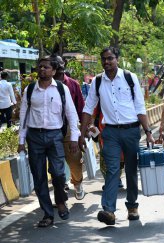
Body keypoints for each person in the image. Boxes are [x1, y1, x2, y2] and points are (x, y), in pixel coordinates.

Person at [78, 47, 154, 225]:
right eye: (104, 59)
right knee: (112, 169)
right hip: (110, 132)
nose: (107, 62)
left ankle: (132, 206)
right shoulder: (97, 82)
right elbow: (88, 109)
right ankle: (109, 210)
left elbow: (140, 107)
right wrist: (82, 134)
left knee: (130, 169)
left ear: (117, 59)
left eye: (110, 58)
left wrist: (149, 132)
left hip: (131, 131)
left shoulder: (129, 77)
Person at [18, 56, 80, 227]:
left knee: (59, 174)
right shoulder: (30, 90)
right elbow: (23, 116)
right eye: (40, 67)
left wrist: (74, 137)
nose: (42, 69)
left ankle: (61, 202)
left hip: (55, 136)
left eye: (46, 67)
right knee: (39, 177)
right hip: (34, 137)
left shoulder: (62, 89)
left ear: (53, 71)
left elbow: (71, 114)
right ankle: (47, 214)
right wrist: (21, 140)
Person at [53, 55, 86, 200]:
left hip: (69, 128)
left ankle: (77, 182)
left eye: (61, 62)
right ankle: (61, 188)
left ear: (64, 63)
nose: (59, 65)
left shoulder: (73, 84)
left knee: (74, 159)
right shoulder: (43, 85)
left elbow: (80, 108)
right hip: (51, 129)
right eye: (55, 63)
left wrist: (84, 129)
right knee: (54, 162)